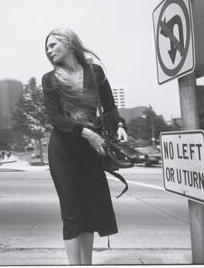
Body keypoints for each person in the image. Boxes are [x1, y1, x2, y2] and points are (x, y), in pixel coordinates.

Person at [42, 28, 127, 265]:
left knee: (89, 212)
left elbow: (109, 106)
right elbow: (56, 118)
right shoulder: (49, 80)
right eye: (46, 48)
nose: (49, 51)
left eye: (53, 45)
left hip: (90, 151)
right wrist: (88, 133)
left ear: (69, 44)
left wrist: (119, 125)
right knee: (72, 214)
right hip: (63, 151)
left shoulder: (94, 72)